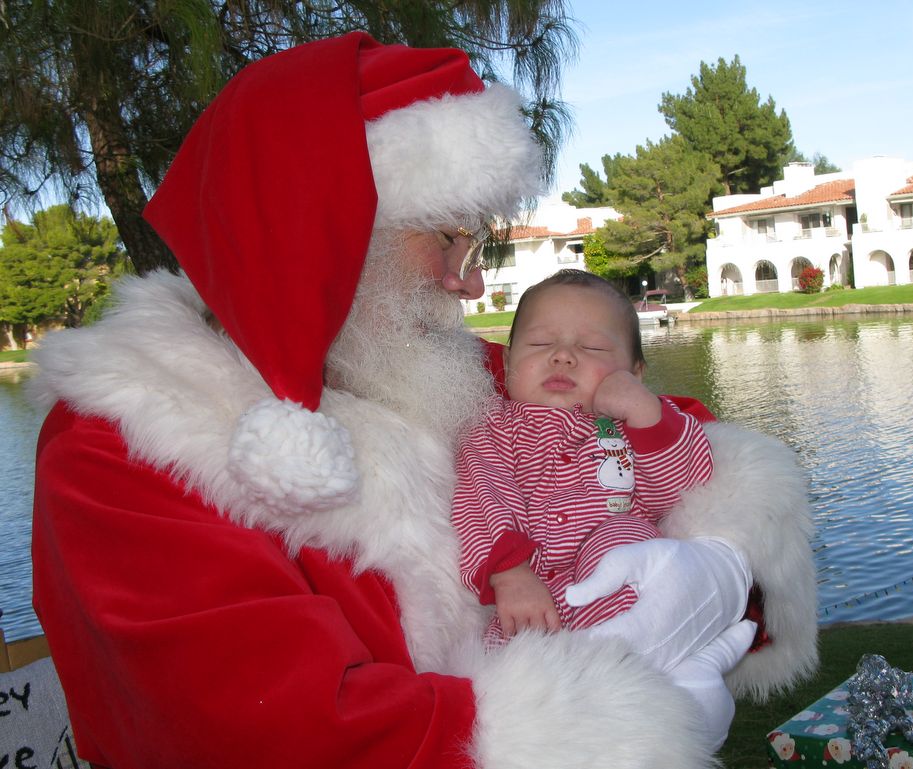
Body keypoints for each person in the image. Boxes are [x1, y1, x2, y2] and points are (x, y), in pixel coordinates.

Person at [30, 31, 818, 769]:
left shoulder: (421, 365)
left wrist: (717, 563)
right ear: (325, 226)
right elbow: (267, 725)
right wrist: (595, 715)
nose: (470, 282)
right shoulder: (118, 445)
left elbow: (679, 432)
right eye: (447, 239)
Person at [453, 269, 758, 748]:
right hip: (535, 592)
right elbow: (481, 496)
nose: (563, 355)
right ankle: (660, 691)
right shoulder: (494, 430)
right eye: (539, 344)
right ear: (509, 362)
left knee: (623, 542)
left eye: (592, 349)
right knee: (505, 667)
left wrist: (647, 415)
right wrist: (509, 573)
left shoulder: (626, 427)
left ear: (634, 371)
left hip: (622, 585)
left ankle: (674, 675)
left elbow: (684, 488)